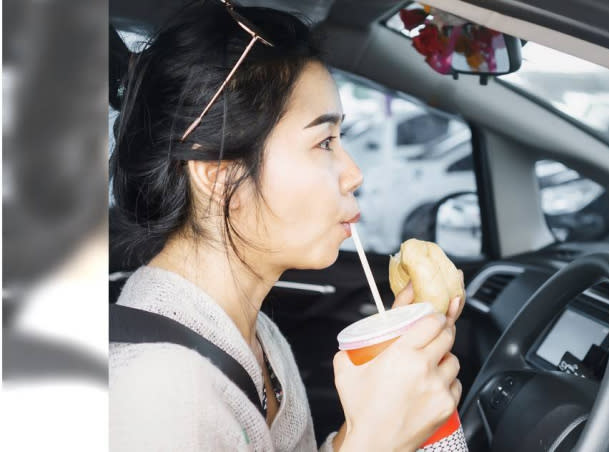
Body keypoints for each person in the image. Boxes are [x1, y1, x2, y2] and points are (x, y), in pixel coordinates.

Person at [109, 2, 465, 451]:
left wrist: (374, 421)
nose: (353, 173)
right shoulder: (156, 395)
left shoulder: (259, 338)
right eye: (324, 142)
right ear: (219, 177)